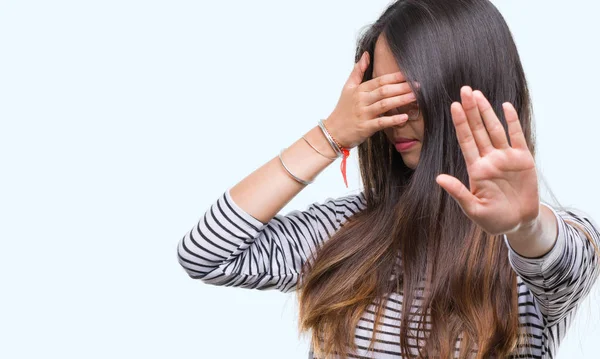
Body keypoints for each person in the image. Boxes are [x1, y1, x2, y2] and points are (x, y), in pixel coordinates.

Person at [176, 0, 600, 358]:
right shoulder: (348, 229)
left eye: (411, 97)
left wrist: (523, 225)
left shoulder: (544, 248)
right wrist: (330, 134)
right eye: (380, 97)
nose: (394, 120)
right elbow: (206, 253)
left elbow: (559, 262)